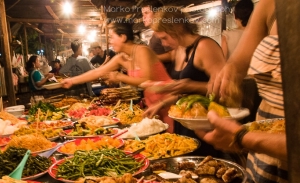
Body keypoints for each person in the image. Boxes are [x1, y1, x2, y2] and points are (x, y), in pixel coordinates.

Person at [203, 0, 288, 183]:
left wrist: (241, 137)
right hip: (262, 163)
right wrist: (230, 73)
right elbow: (239, 61)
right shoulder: (270, 4)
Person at [141, 7, 226, 155]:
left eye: (164, 38)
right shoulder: (178, 50)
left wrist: (191, 85)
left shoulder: (205, 46)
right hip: (185, 121)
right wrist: (161, 104)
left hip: (207, 123)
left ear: (178, 28)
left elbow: (226, 89)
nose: (164, 44)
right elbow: (185, 93)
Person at [61, 22, 174, 131]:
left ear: (123, 37)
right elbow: (97, 72)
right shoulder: (122, 57)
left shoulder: (142, 51)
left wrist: (119, 77)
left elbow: (146, 80)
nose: (110, 42)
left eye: (111, 37)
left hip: (167, 102)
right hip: (152, 104)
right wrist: (72, 80)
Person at [141, 0, 172, 72]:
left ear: (157, 13)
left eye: (146, 13)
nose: (144, 17)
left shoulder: (163, 31)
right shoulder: (155, 33)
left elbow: (173, 55)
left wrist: (151, 58)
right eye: (143, 14)